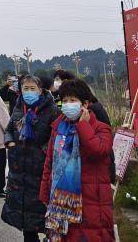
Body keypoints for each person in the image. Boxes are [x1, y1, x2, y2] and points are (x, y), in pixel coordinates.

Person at [40, 78, 113, 242]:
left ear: (85, 104)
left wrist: (83, 126)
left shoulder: (101, 128)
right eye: (64, 101)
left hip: (90, 202)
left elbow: (98, 151)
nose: (68, 105)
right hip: (59, 202)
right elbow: (50, 162)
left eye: (72, 100)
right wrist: (45, 193)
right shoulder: (58, 128)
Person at [2, 75, 60, 242]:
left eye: (32, 88)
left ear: (40, 90)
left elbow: (56, 137)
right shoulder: (19, 107)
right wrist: (10, 142)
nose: (28, 92)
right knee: (25, 221)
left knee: (41, 215)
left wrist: (42, 152)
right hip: (19, 171)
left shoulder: (52, 110)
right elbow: (9, 129)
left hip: (39, 171)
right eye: (25, 88)